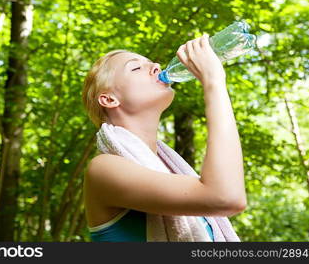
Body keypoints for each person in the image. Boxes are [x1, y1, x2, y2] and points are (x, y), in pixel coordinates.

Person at [81, 34, 246, 242]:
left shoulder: (171, 168)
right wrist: (213, 82)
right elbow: (226, 198)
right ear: (109, 99)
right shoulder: (103, 169)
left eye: (151, 63)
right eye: (135, 67)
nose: (156, 66)